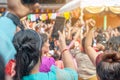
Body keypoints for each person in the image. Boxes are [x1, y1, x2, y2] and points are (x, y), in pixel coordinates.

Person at [13, 29, 78, 80]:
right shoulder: (51, 78)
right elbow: (73, 74)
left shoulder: (6, 76)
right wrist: (63, 46)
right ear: (41, 51)